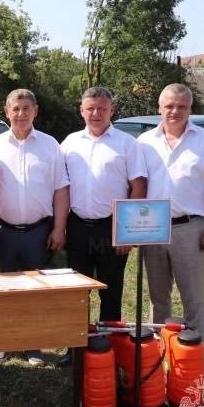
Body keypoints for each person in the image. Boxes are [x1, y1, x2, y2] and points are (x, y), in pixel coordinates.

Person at [59, 87, 147, 365]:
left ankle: (109, 349)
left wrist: (126, 231)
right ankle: (75, 349)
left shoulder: (127, 143)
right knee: (77, 293)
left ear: (112, 110)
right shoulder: (69, 143)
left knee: (111, 290)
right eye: (90, 108)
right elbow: (60, 187)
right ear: (81, 110)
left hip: (111, 227)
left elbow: (138, 186)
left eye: (102, 108)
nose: (96, 113)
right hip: (77, 226)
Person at [138, 84, 204, 340]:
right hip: (152, 228)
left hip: (191, 228)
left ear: (190, 109)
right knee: (157, 297)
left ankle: (194, 353)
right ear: (159, 108)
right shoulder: (143, 143)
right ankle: (159, 350)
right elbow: (136, 186)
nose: (174, 111)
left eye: (181, 106)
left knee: (193, 297)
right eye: (169, 106)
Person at [0, 89, 69, 366]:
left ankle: (33, 344)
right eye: (16, 108)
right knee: (4, 288)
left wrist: (59, 228)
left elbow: (61, 189)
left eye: (26, 108)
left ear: (35, 111)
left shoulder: (50, 145)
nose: (21, 113)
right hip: (4, 231)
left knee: (36, 290)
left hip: (39, 231)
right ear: (7, 111)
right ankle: (3, 340)